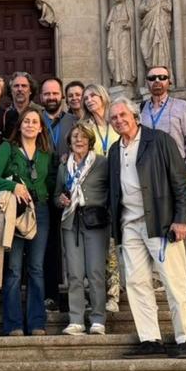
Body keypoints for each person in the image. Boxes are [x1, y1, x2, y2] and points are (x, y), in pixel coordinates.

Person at [108, 97, 186, 358]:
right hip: (129, 225)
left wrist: (181, 219)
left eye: (123, 115)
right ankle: (150, 339)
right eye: (114, 118)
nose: (119, 120)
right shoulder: (114, 150)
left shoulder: (159, 140)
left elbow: (180, 182)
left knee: (174, 281)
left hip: (160, 222)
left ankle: (184, 339)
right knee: (136, 282)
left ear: (136, 116)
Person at [0, 108, 55, 336]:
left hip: (41, 211)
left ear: (41, 127)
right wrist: (13, 186)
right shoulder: (8, 148)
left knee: (36, 268)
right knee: (14, 268)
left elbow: (52, 180)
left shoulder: (46, 152)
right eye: (26, 121)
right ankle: (13, 323)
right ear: (20, 125)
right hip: (15, 212)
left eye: (35, 122)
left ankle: (37, 322)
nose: (30, 125)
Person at [139, 66, 186, 292]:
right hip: (150, 174)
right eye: (152, 78)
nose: (157, 81)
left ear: (170, 81)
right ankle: (157, 274)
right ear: (147, 83)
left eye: (162, 77)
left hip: (176, 171)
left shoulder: (181, 107)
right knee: (154, 223)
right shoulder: (141, 110)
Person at [55, 123, 110, 335]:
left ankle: (98, 319)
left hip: (95, 223)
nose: (79, 140)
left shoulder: (102, 163)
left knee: (95, 273)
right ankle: (76, 319)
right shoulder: (63, 167)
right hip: (71, 223)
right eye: (75, 137)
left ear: (90, 140)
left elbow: (111, 191)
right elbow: (56, 195)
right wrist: (60, 200)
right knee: (75, 274)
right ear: (69, 142)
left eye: (83, 137)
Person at [80, 83, 122, 312]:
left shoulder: (117, 123)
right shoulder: (85, 127)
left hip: (117, 190)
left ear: (104, 97)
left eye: (93, 95)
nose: (89, 100)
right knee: (94, 245)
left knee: (112, 246)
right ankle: (93, 295)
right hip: (94, 191)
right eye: (86, 97)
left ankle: (113, 293)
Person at [38, 77, 77, 312]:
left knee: (73, 244)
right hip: (44, 190)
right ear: (41, 97)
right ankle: (50, 294)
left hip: (69, 190)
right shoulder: (35, 120)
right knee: (48, 245)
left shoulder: (74, 121)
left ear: (61, 96)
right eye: (47, 94)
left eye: (55, 93)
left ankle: (75, 296)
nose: (51, 97)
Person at [3, 71, 44, 138]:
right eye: (16, 86)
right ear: (11, 90)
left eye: (24, 86)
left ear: (30, 90)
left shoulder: (40, 112)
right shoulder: (5, 115)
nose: (20, 89)